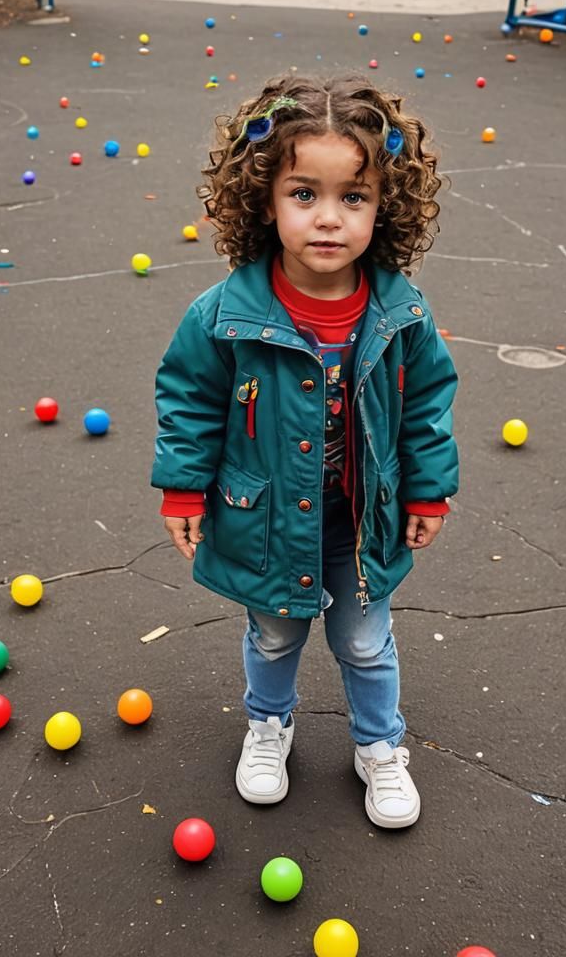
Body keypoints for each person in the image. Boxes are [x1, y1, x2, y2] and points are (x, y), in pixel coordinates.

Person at [151, 72, 458, 829]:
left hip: (361, 518)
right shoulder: (224, 314)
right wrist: (183, 489)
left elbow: (426, 405)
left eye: (353, 197)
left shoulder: (400, 313)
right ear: (263, 199)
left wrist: (427, 489)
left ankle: (379, 744)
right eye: (303, 194)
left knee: (365, 641)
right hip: (264, 518)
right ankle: (268, 725)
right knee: (273, 633)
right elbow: (188, 401)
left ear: (385, 206)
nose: (328, 218)